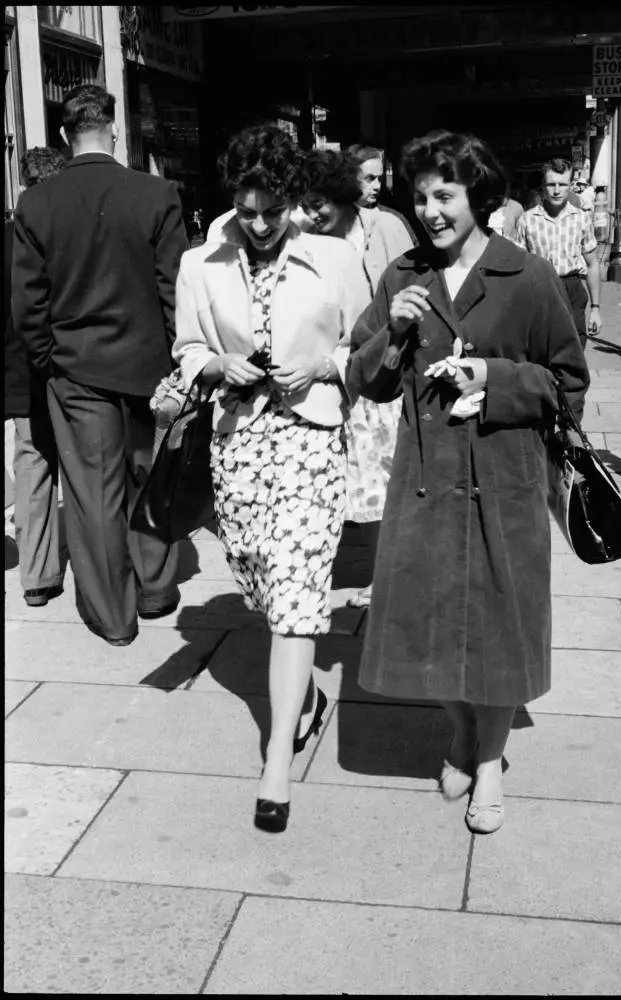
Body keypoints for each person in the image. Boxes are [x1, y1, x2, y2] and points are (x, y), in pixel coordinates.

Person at [346, 129, 589, 835]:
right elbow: (368, 382)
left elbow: (567, 382)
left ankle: (488, 763)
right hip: (424, 481)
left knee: (495, 632)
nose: (429, 210)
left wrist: (496, 378)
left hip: (504, 480)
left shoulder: (527, 275)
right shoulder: (403, 277)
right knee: (423, 627)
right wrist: (389, 334)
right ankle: (459, 732)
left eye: (444, 195)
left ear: (476, 196)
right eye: (419, 196)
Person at [172, 125, 370, 833]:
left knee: (296, 597)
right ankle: (307, 702)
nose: (257, 224)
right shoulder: (201, 263)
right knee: (258, 577)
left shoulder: (336, 257)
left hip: (310, 437)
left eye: (271, 210)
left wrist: (322, 366)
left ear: (293, 198)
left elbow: (368, 344)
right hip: (237, 444)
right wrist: (218, 365)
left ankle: (277, 766)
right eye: (246, 210)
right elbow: (187, 346)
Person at [12, 85, 189, 646]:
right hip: (147, 366)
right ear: (113, 129)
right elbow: (173, 291)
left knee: (93, 495)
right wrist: (179, 362)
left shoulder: (37, 202)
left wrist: (50, 359)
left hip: (76, 368)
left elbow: (28, 303)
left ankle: (114, 615)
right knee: (149, 480)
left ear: (66, 136)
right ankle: (158, 589)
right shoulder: (157, 194)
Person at [300, 148, 415, 608]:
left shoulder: (383, 227)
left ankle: (384, 577)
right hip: (322, 377)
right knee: (329, 483)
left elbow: (408, 285)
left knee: (377, 485)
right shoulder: (304, 236)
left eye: (319, 203)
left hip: (370, 375)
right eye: (305, 204)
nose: (311, 214)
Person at [5, 147, 66, 607]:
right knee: (88, 472)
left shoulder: (10, 235)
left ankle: (37, 577)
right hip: (64, 367)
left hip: (21, 374)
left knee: (33, 466)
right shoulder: (67, 233)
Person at [515, 158, 602, 349]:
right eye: (551, 184)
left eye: (562, 184)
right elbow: (519, 266)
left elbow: (592, 264)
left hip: (571, 288)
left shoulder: (581, 219)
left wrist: (595, 308)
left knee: (576, 348)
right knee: (541, 349)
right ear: (543, 187)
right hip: (539, 289)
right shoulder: (527, 220)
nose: (556, 190)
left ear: (570, 186)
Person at [347, 141, 417, 240]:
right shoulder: (336, 218)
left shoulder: (394, 218)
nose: (377, 186)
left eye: (380, 179)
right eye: (370, 178)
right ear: (351, 178)